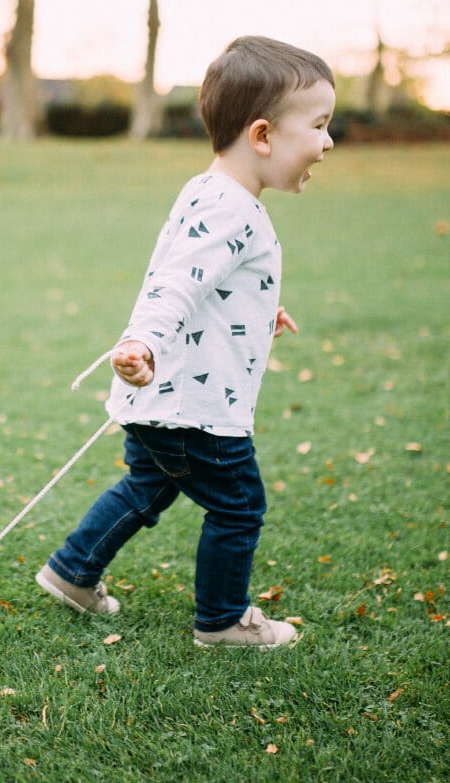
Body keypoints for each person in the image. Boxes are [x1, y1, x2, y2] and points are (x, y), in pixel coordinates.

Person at [36, 36, 336, 648]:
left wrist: (258, 312)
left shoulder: (207, 191)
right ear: (263, 136)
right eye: (321, 125)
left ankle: (73, 571)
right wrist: (141, 342)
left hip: (164, 402)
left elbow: (207, 280)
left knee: (146, 486)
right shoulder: (235, 209)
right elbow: (176, 284)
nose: (328, 143)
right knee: (238, 506)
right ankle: (223, 619)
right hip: (195, 409)